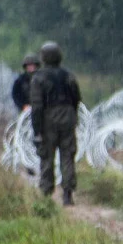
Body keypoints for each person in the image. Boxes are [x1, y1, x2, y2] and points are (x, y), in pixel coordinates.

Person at [28, 43, 82, 205]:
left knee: (46, 156)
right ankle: (67, 194)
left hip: (47, 118)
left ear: (43, 58)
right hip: (67, 115)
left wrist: (36, 130)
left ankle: (46, 194)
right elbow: (76, 98)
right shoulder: (68, 75)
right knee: (67, 155)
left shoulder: (38, 78)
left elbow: (36, 106)